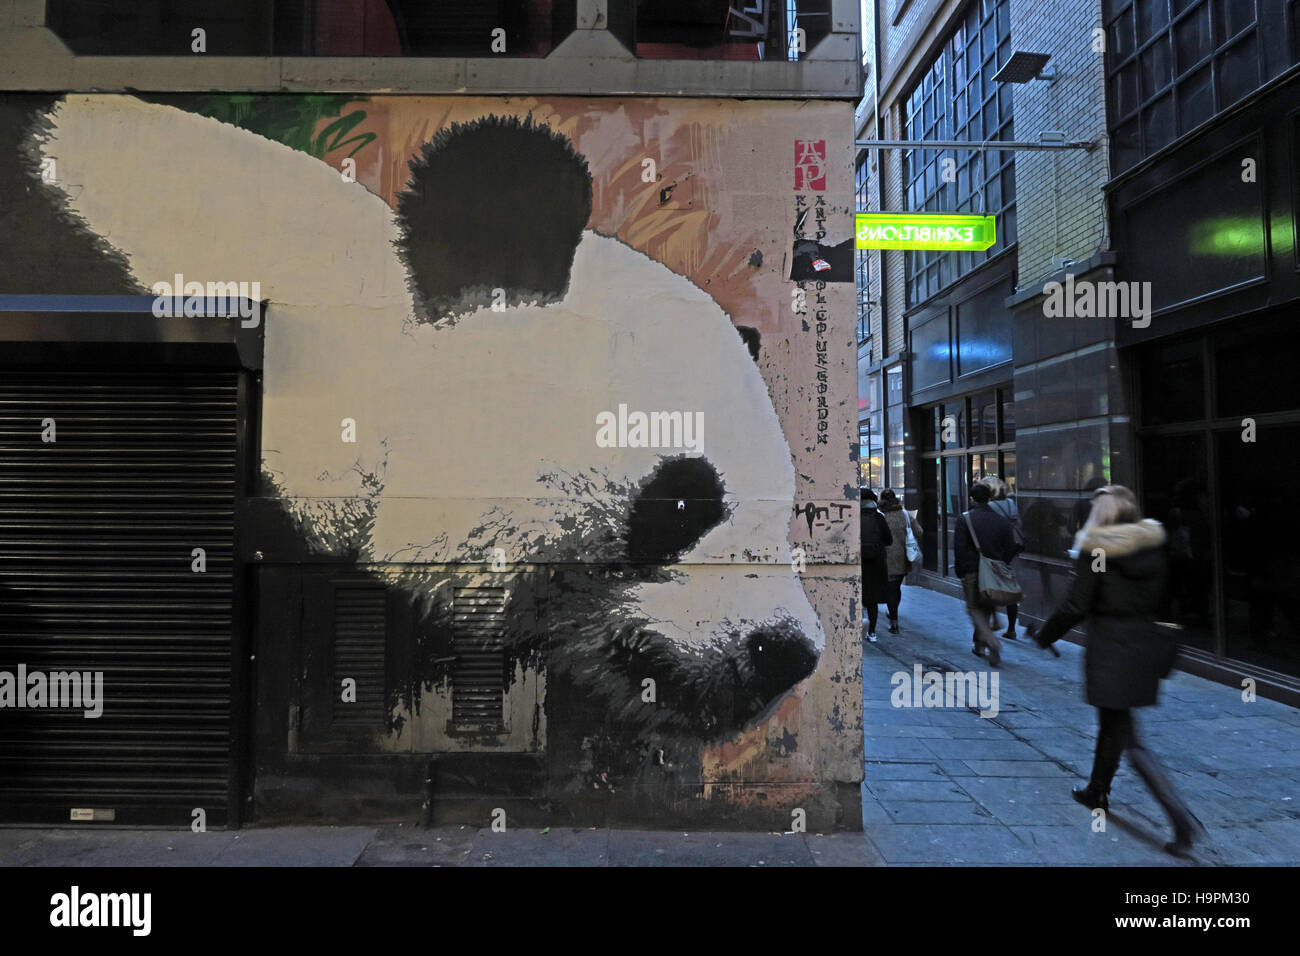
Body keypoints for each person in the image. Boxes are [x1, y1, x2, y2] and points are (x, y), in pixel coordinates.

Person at [1029, 484, 1205, 858]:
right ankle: (1097, 789)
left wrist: (1046, 635)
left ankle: (1180, 819)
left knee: (1128, 736)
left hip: (1111, 646)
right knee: (1114, 722)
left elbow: (1077, 603)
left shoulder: (1097, 547)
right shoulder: (1153, 545)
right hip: (1143, 644)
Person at [954, 481, 1019, 667]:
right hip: (994, 571)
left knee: (974, 608)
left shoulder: (965, 519)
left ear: (972, 499)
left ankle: (992, 642)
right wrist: (1001, 563)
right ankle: (979, 646)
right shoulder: (1001, 520)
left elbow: (959, 547)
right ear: (990, 498)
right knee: (987, 606)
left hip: (971, 570)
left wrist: (961, 570)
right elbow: (1010, 547)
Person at [980, 475, 1024, 641]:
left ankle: (995, 620)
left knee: (988, 584)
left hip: (994, 548)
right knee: (1008, 584)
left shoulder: (990, 506)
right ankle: (1012, 628)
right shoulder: (1010, 504)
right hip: (1010, 549)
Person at [878, 489, 921, 634]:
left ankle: (894, 622)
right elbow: (919, 531)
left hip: (885, 559)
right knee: (896, 589)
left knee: (890, 591)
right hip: (903, 559)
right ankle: (893, 613)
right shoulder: (905, 515)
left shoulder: (880, 516)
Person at [860, 488, 893, 643]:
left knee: (857, 598)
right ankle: (872, 632)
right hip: (876, 564)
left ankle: (856, 628)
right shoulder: (879, 518)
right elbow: (888, 539)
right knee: (872, 602)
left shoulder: (853, 517)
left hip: (858, 563)